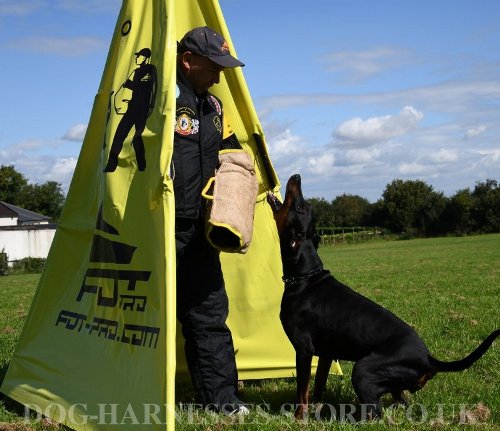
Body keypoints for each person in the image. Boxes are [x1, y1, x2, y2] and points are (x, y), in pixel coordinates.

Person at [173, 26, 248, 415]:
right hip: (158, 231)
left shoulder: (215, 107)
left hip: (201, 230)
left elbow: (233, 156)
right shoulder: (161, 100)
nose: (220, 74)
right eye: (214, 65)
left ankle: (222, 401)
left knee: (209, 314)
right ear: (188, 61)